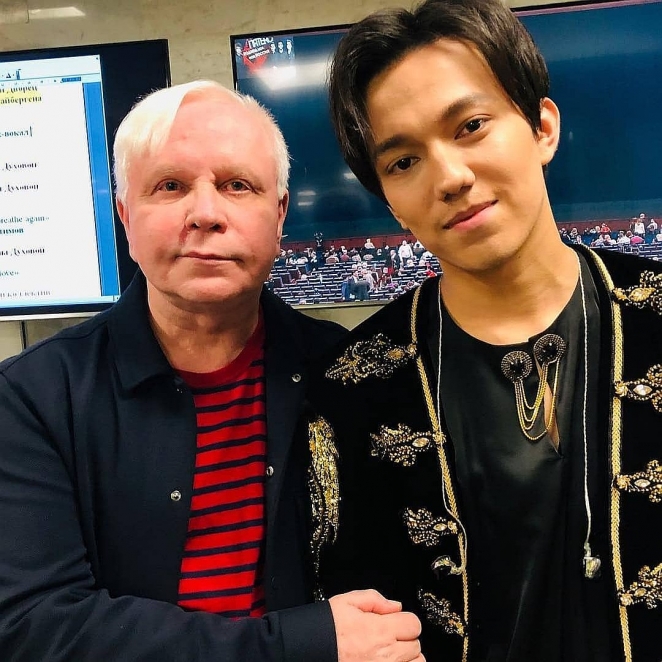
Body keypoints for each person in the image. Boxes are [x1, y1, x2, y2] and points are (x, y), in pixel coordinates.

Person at [0, 81, 424, 662]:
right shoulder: (33, 399)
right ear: (125, 216)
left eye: (237, 186)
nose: (205, 214)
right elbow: (34, 626)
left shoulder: (348, 374)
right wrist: (294, 646)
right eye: (169, 186)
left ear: (279, 215)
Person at [303, 1, 662, 661]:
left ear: (543, 127)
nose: (450, 178)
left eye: (470, 126)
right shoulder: (355, 387)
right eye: (403, 162)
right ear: (390, 202)